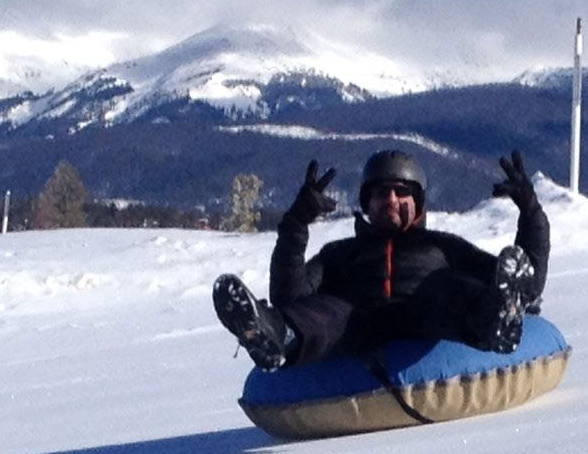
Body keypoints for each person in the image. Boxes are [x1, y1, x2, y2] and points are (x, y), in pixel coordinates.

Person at [213, 149, 549, 370]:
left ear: (418, 203)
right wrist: (296, 225)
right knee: (329, 308)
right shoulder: (341, 254)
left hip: (427, 317)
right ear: (367, 203)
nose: (391, 199)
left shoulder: (442, 247)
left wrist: (530, 210)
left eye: (402, 192)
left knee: (450, 286)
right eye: (380, 193)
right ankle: (273, 336)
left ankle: (495, 320)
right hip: (358, 327)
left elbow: (528, 284)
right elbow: (291, 296)